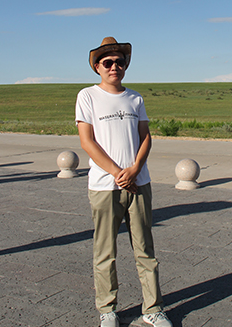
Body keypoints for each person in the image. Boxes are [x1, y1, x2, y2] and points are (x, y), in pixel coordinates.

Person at [75, 37, 173, 327]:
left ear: (125, 66)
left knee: (145, 250)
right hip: (105, 186)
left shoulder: (135, 98)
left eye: (119, 61)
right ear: (97, 66)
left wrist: (135, 169)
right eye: (107, 62)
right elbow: (87, 141)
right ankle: (107, 310)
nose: (114, 66)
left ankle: (153, 308)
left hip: (139, 183)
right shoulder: (87, 96)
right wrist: (119, 173)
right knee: (105, 251)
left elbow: (146, 137)